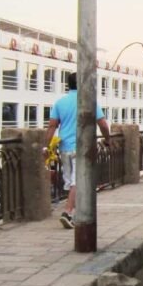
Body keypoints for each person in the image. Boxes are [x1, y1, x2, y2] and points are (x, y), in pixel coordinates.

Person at [44, 72, 111, 229]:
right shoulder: (89, 102)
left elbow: (52, 126)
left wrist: (45, 146)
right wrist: (108, 139)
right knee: (77, 181)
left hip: (64, 148)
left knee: (70, 182)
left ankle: (74, 210)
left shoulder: (60, 102)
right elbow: (102, 124)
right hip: (81, 148)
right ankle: (67, 212)